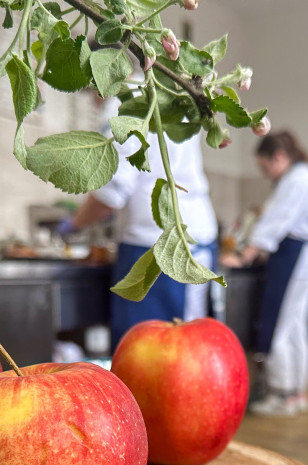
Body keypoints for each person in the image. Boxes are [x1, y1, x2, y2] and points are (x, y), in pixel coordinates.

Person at [62, 129, 217, 351]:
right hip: (187, 238)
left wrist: (74, 224)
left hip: (159, 243)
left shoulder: (125, 105)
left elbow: (110, 193)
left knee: (153, 351)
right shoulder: (175, 98)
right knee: (182, 351)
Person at [226, 131, 308, 417]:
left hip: (296, 259)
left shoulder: (296, 180)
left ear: (280, 157)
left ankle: (282, 393)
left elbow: (275, 222)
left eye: (264, 167)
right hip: (305, 259)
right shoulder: (307, 177)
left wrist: (244, 254)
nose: (265, 174)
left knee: (281, 326)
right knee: (296, 327)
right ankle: (297, 393)